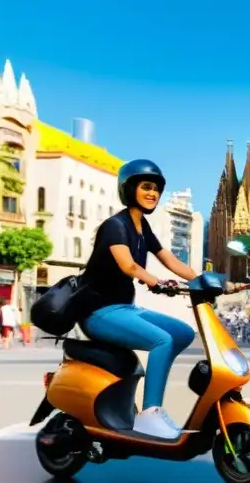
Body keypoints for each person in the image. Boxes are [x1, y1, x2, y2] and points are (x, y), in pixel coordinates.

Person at [75, 159, 199, 439]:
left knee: (182, 333)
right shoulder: (115, 226)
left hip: (124, 308)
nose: (152, 193)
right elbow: (128, 265)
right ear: (129, 189)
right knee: (162, 340)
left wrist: (203, 280)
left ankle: (154, 405)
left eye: (156, 188)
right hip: (98, 311)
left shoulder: (143, 227)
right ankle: (150, 413)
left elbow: (168, 258)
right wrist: (154, 280)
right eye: (146, 187)